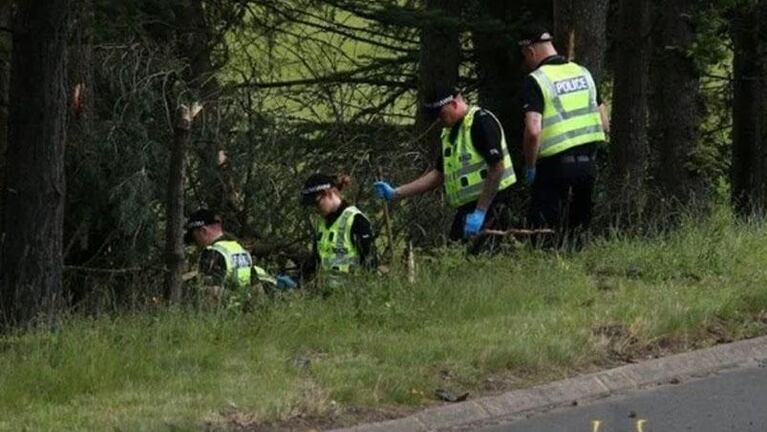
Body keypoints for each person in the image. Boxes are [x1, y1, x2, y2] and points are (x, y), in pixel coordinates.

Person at [373, 86, 517, 242]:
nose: (439, 120)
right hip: (468, 210)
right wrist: (396, 192)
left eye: (441, 114)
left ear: (454, 105)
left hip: (493, 205)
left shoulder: (481, 122)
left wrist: (480, 211)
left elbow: (497, 167)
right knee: (456, 254)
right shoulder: (449, 134)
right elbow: (438, 175)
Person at [518, 24, 610, 239]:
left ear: (530, 51)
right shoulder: (583, 73)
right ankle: (578, 263)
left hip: (554, 165)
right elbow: (604, 123)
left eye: (525, 57)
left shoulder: (536, 80)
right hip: (588, 162)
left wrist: (530, 165)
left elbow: (533, 130)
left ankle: (545, 263)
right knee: (578, 226)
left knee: (543, 229)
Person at [183, 208, 296, 296]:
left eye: (195, 237)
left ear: (203, 231)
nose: (196, 242)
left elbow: (211, 294)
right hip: (246, 306)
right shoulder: (238, 248)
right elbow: (255, 286)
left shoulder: (212, 253)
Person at [300, 173, 376, 286]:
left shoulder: (356, 220)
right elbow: (315, 260)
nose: (315, 209)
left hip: (353, 291)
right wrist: (298, 280)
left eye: (317, 203)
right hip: (326, 292)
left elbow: (370, 262)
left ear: (328, 194)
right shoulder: (321, 224)